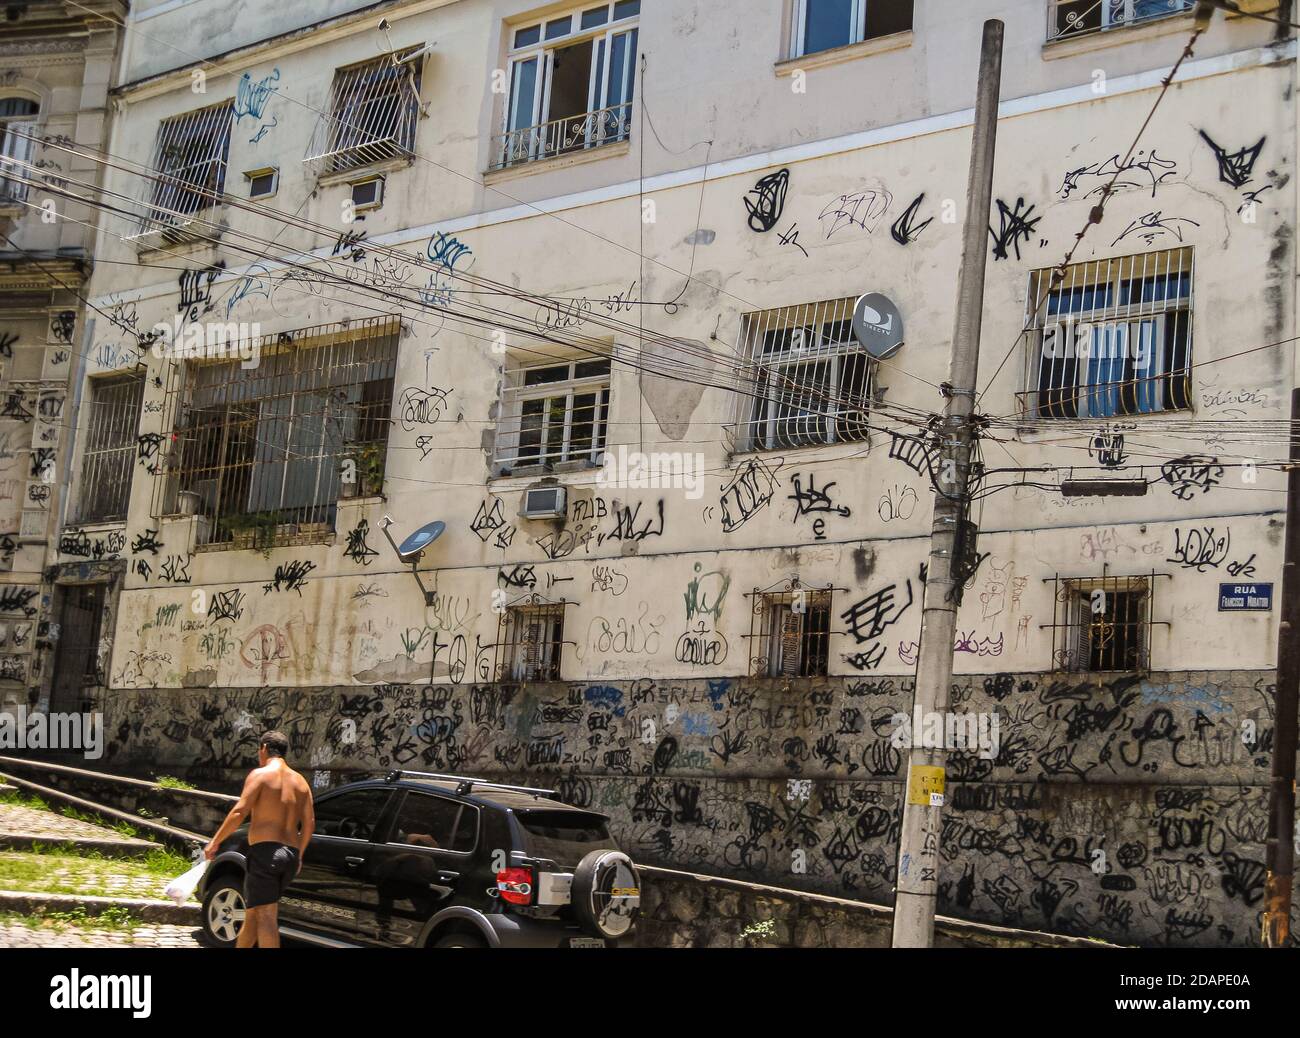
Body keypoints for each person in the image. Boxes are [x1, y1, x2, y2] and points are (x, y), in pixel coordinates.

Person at [205, 730, 314, 948]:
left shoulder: (261, 774)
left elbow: (239, 811)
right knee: (254, 912)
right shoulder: (301, 782)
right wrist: (299, 854)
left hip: (266, 855)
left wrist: (215, 841)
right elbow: (309, 823)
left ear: (264, 748)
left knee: (266, 917)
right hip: (290, 856)